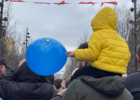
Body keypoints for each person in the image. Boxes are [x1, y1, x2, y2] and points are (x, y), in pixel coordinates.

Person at [51, 41, 133, 100]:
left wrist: (59, 95)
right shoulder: (127, 94)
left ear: (85, 62)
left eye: (79, 60)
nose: (77, 65)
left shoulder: (76, 87)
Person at [68, 7, 131, 75]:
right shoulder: (121, 39)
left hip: (100, 70)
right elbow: (128, 55)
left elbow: (91, 54)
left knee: (77, 73)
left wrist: (75, 53)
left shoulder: (98, 35)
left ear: (97, 21)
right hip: (118, 72)